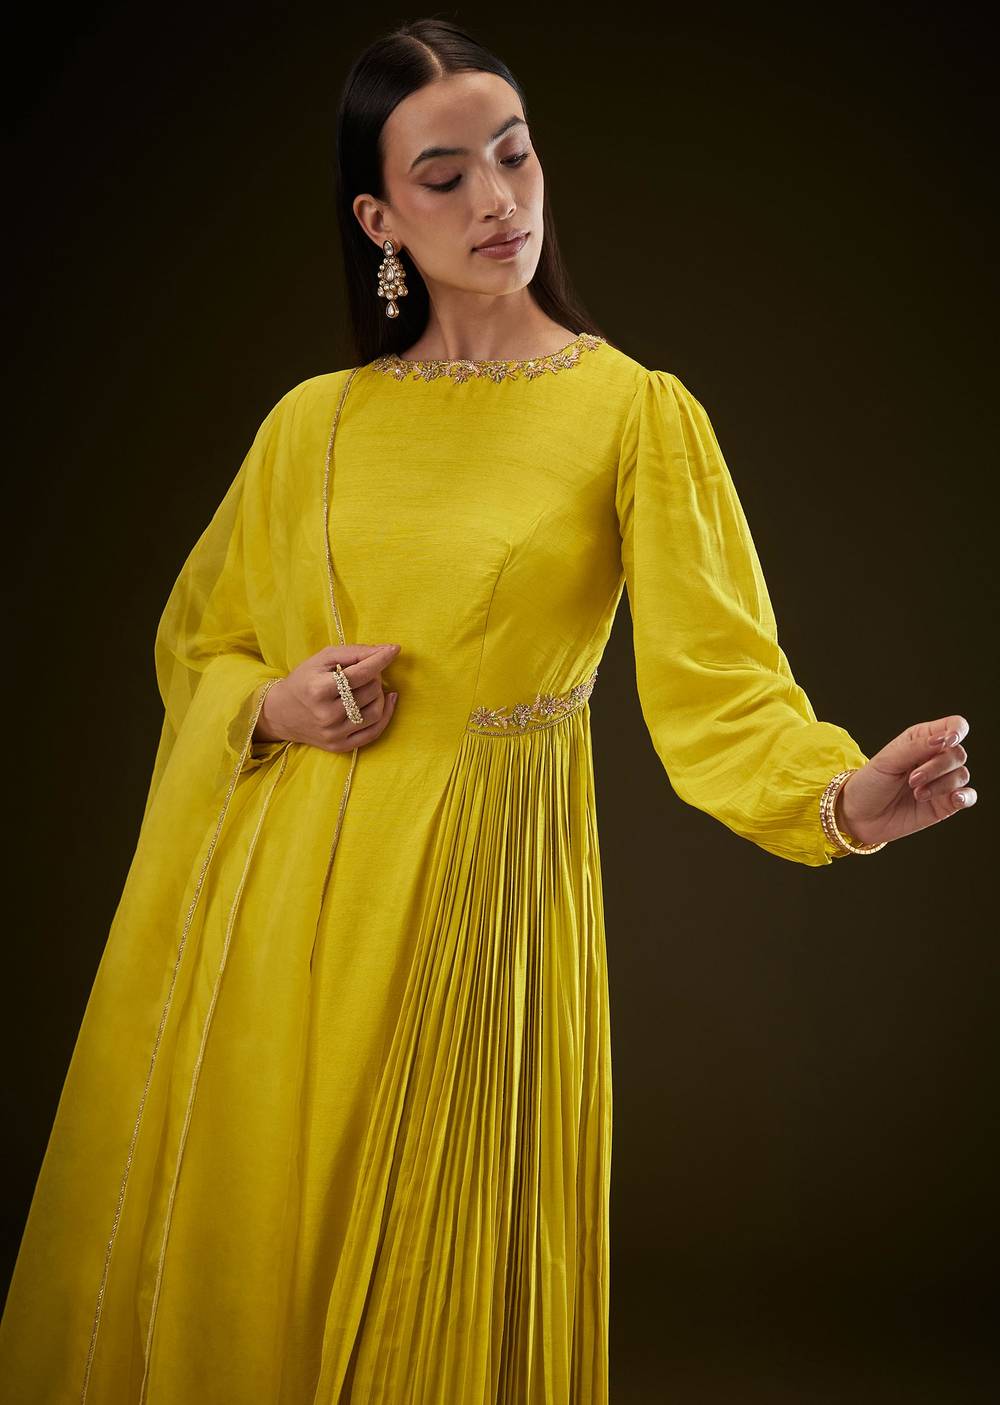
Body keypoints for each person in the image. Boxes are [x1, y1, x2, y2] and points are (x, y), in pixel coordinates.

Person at [0, 17, 975, 1405]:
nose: (496, 198)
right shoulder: (312, 424)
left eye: (512, 156)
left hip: (478, 900)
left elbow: (723, 682)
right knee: (269, 1259)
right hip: (279, 914)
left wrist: (843, 799)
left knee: (433, 1287)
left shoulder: (632, 414)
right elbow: (198, 643)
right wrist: (270, 703)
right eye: (445, 176)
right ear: (378, 219)